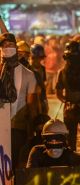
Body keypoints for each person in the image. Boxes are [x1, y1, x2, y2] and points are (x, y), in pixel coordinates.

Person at [26, 119, 80, 185]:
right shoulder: (37, 153)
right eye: (50, 140)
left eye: (58, 139)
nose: (54, 143)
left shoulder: (74, 158)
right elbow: (28, 179)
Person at [0, 32, 37, 171]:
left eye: (10, 45)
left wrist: (32, 130)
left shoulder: (28, 74)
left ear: (16, 47)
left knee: (16, 166)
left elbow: (31, 105)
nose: (7, 48)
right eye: (3, 46)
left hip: (17, 129)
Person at [56, 41, 80, 151]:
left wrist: (68, 102)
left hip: (73, 110)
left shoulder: (62, 72)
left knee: (71, 142)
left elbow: (59, 94)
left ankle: (74, 165)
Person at [30, 43, 48, 115]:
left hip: (41, 99)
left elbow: (43, 84)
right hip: (31, 101)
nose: (39, 60)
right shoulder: (28, 69)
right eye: (37, 58)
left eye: (40, 58)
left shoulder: (42, 69)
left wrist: (45, 101)